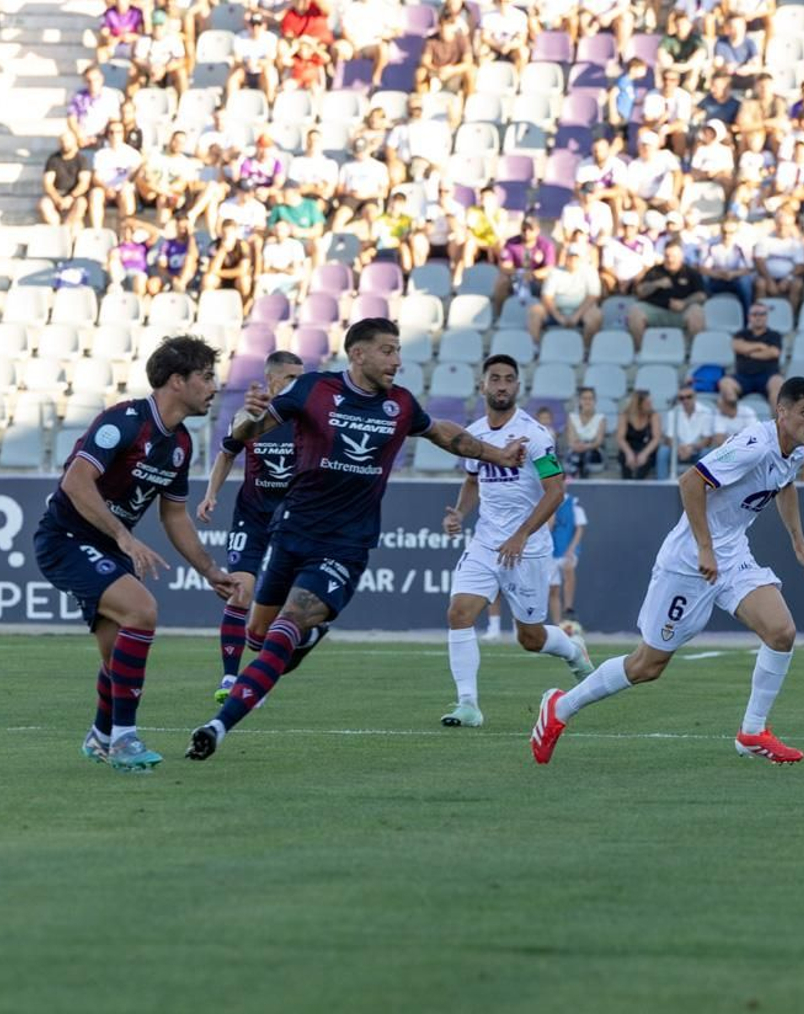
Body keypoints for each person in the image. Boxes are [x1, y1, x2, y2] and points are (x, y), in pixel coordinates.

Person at [186, 318, 528, 761]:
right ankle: (304, 639)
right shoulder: (312, 389)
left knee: (286, 628)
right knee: (258, 633)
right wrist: (249, 418)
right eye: (388, 351)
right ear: (359, 353)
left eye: (399, 351)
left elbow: (444, 433)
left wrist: (497, 453)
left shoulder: (400, 404)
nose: (398, 361)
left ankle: (218, 725)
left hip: (344, 545)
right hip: (291, 530)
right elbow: (251, 432)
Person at [530, 376, 804, 767]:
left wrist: (798, 543)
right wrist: (705, 547)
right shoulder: (754, 445)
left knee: (781, 631)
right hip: (690, 561)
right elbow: (690, 481)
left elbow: (785, 486)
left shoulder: (795, 454)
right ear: (782, 411)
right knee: (647, 665)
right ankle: (560, 708)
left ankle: (752, 731)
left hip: (733, 554)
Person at [35, 337, 233, 772]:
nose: (214, 386)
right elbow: (75, 482)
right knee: (143, 611)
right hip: (66, 538)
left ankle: (102, 735)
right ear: (177, 381)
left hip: (106, 545)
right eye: (206, 376)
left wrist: (209, 570)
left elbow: (175, 516)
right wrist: (124, 536)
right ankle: (125, 739)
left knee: (116, 658)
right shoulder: (124, 421)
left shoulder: (181, 443)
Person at [440, 355, 595, 728]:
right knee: (459, 612)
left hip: (527, 548)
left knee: (529, 637)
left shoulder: (535, 436)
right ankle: (468, 705)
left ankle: (573, 651)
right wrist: (461, 513)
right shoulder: (474, 434)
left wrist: (521, 534)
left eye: (509, 379)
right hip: (486, 543)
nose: (502, 385)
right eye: (495, 379)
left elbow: (555, 491)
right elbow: (473, 479)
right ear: (483, 386)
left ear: (518, 387)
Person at [197, 351, 304, 705]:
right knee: (239, 589)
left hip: (291, 519)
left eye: (300, 378)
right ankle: (230, 677)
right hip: (253, 516)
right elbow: (227, 453)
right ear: (271, 380)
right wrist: (211, 494)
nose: (297, 384)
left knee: (272, 613)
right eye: (290, 378)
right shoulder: (250, 418)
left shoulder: (306, 418)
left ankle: (260, 670)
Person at [626, 243, 707, 345]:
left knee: (697, 312)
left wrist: (684, 303)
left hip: (681, 312)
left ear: (681, 257)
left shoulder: (691, 272)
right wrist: (656, 284)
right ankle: (640, 350)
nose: (670, 260)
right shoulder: (655, 271)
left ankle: (692, 351)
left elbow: (701, 295)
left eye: (674, 256)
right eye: (667, 256)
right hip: (655, 310)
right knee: (635, 311)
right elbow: (640, 291)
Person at [719, 303, 784, 409]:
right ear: (749, 317)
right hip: (743, 377)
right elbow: (737, 346)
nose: (758, 317)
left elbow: (773, 353)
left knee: (778, 383)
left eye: (762, 314)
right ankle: (735, 420)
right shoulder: (740, 334)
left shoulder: (774, 335)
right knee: (725, 383)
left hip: (768, 376)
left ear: (767, 316)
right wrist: (760, 346)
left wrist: (748, 352)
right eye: (754, 314)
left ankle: (777, 424)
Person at [549, 486, 587, 622]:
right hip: (551, 552)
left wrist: (571, 548)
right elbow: (548, 528)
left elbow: (580, 529)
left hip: (567, 550)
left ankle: (568, 607)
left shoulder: (574, 504)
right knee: (553, 588)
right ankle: (557, 623)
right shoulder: (546, 503)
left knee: (568, 568)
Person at [40, 131, 90, 229]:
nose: (65, 143)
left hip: (75, 197)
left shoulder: (81, 160)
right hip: (57, 195)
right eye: (62, 141)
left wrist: (71, 197)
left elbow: (84, 183)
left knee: (81, 203)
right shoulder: (53, 159)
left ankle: (65, 229)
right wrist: (57, 198)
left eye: (68, 141)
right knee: (44, 204)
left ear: (74, 141)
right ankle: (56, 228)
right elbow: (47, 183)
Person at [661, 383, 713, 478]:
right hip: (678, 450)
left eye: (688, 397)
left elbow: (707, 439)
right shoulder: (673, 413)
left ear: (695, 397)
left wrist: (692, 448)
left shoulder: (706, 412)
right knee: (663, 451)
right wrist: (679, 449)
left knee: (707, 452)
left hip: (697, 450)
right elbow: (669, 438)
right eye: (682, 398)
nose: (685, 400)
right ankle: (662, 485)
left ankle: (705, 486)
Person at [615, 389, 662, 480]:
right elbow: (620, 438)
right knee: (625, 460)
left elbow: (656, 438)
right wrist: (629, 453)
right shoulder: (625, 415)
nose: (650, 405)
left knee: (646, 462)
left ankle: (638, 485)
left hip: (647, 449)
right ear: (639, 404)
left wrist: (644, 454)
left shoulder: (654, 415)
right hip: (629, 448)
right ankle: (627, 485)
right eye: (647, 403)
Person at [566, 386, 606, 477]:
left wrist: (586, 446)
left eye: (590, 399)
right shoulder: (572, 417)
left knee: (585, 456)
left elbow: (598, 442)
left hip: (593, 451)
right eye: (584, 398)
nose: (587, 401)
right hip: (575, 449)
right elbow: (571, 440)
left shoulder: (600, 418)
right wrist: (578, 446)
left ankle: (576, 474)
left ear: (595, 401)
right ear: (579, 401)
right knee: (576, 455)